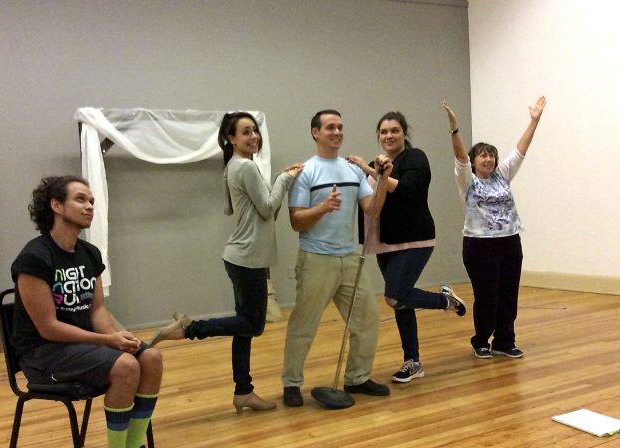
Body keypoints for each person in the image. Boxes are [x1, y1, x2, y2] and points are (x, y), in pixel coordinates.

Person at [11, 176, 177, 448]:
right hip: (43, 354)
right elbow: (48, 328)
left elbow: (97, 310)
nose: (89, 206)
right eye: (80, 199)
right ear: (56, 206)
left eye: (91, 201)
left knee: (151, 358)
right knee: (126, 366)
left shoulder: (88, 253)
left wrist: (118, 335)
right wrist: (107, 342)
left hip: (82, 346)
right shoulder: (34, 258)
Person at [150, 111, 303, 414]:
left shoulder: (234, 166)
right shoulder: (245, 167)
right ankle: (190, 328)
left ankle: (243, 391)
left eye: (255, 130)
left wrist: (276, 183)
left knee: (243, 328)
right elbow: (268, 208)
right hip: (247, 259)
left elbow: (259, 212)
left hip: (243, 257)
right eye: (246, 132)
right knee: (253, 324)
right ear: (231, 138)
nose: (254, 136)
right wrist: (285, 179)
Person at [281, 109, 393, 407]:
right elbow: (296, 222)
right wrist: (323, 207)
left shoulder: (353, 169)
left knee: (367, 319)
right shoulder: (306, 172)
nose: (337, 132)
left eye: (340, 127)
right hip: (316, 258)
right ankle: (291, 383)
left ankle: (357, 378)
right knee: (304, 324)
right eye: (330, 127)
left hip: (350, 258)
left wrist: (383, 179)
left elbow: (373, 209)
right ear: (315, 133)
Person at [346, 111, 467, 385]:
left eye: (394, 131)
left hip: (415, 238)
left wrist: (369, 170)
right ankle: (412, 362)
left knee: (394, 295)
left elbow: (406, 189)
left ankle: (445, 301)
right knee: (401, 302)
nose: (389, 135)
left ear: (404, 133)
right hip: (385, 241)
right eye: (384, 131)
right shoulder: (377, 163)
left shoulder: (415, 158)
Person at [442, 96, 546, 359]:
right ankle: (481, 340)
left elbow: (521, 149)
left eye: (491, 155)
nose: (488, 159)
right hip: (479, 245)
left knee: (508, 294)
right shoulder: (467, 180)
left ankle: (504, 341)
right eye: (483, 155)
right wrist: (454, 129)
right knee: (487, 295)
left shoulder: (503, 174)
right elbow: (459, 156)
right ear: (474, 161)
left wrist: (534, 120)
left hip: (510, 241)